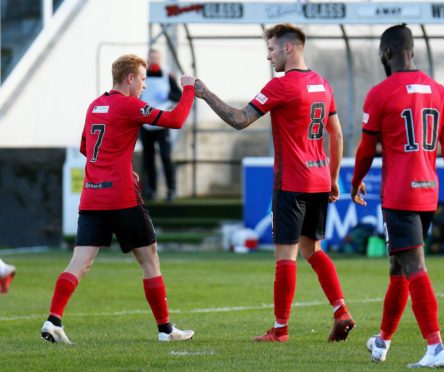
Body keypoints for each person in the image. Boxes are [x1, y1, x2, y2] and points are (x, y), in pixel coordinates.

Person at [194, 23, 355, 343]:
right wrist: (334, 177)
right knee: (313, 249)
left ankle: (280, 330)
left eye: (271, 49)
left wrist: (204, 92)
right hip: (319, 179)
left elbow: (240, 120)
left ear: (289, 48)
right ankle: (341, 312)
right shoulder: (322, 84)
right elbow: (335, 134)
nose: (269, 56)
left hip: (292, 181)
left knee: (286, 255)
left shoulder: (281, 86)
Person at [40, 54, 196, 344]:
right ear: (130, 79)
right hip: (122, 198)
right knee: (150, 261)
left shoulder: (94, 106)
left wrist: (121, 167)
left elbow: (88, 148)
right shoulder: (129, 104)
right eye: (143, 79)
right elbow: (174, 120)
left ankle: (53, 320)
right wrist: (188, 89)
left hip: (92, 197)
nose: (145, 86)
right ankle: (165, 330)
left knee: (78, 264)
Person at [350, 24, 444, 368]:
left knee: (413, 266)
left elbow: (367, 149)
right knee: (397, 268)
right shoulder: (438, 90)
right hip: (428, 193)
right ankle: (382, 342)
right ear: (412, 50)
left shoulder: (381, 92)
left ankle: (435, 348)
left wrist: (355, 181)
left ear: (386, 53)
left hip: (399, 195)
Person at [140, 49, 181, 201]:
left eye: (156, 57)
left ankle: (171, 189)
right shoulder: (142, 75)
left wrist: (167, 96)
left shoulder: (167, 75)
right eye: (151, 58)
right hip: (145, 122)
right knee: (148, 157)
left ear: (160, 58)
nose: (154, 60)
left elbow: (179, 95)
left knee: (166, 156)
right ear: (148, 59)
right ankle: (151, 190)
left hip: (163, 121)